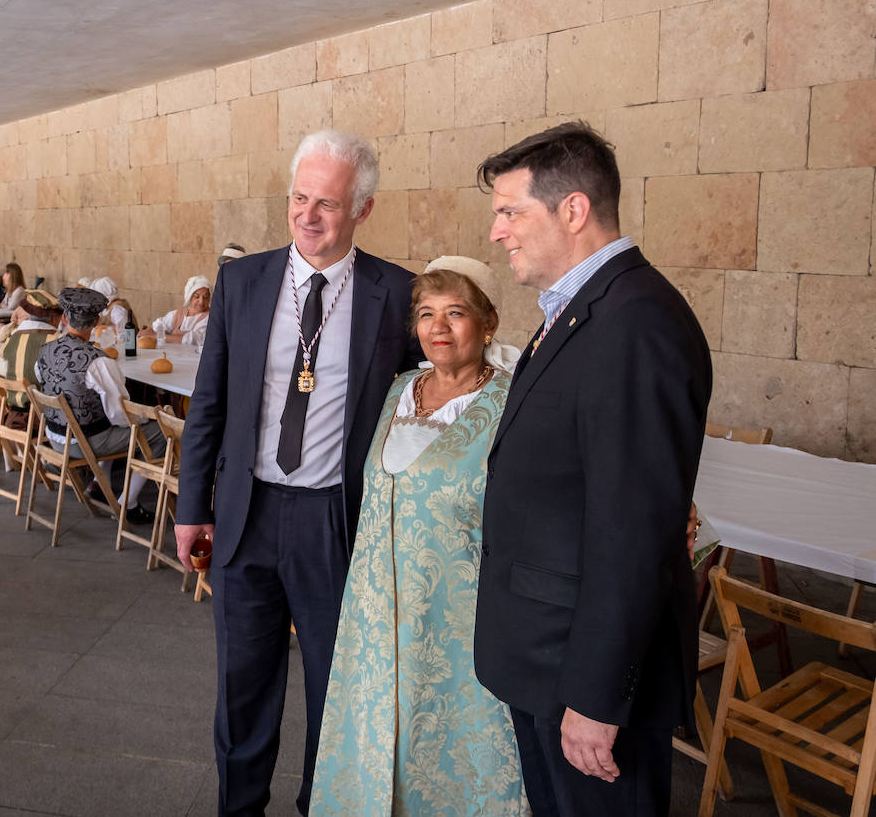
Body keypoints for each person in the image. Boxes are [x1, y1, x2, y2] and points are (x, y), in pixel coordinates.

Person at [175, 129, 423, 815]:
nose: (309, 216)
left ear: (363, 211)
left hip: (335, 522)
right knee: (243, 690)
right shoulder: (243, 280)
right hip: (247, 515)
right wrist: (191, 504)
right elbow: (210, 403)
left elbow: (419, 409)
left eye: (328, 204)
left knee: (334, 692)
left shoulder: (396, 294)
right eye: (299, 198)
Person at [473, 122, 711, 816]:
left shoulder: (635, 323)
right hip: (547, 659)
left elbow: (633, 534)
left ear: (572, 210)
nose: (497, 232)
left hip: (585, 680)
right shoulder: (585, 309)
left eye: (511, 211)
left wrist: (596, 697)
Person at [311, 257, 527, 814]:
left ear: (488, 322)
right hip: (377, 618)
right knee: (378, 744)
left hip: (460, 623)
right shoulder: (398, 391)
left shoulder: (515, 402)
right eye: (427, 314)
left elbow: (568, 475)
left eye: (456, 313)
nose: (439, 328)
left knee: (455, 767)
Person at [34, 287, 164, 524]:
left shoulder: (44, 351)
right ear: (95, 322)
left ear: (64, 318)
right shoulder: (98, 361)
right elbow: (121, 414)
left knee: (104, 419)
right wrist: (148, 420)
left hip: (54, 437)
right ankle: (128, 503)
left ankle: (98, 485)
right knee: (158, 434)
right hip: (81, 444)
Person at [0, 289, 61, 427]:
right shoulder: (57, 341)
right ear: (54, 318)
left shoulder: (11, 339)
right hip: (44, 418)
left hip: (13, 416)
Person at [144, 275, 212, 345]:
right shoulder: (178, 314)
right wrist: (150, 330)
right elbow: (159, 325)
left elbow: (193, 339)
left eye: (206, 297)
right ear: (189, 296)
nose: (201, 301)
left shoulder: (210, 318)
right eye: (197, 296)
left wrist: (155, 336)